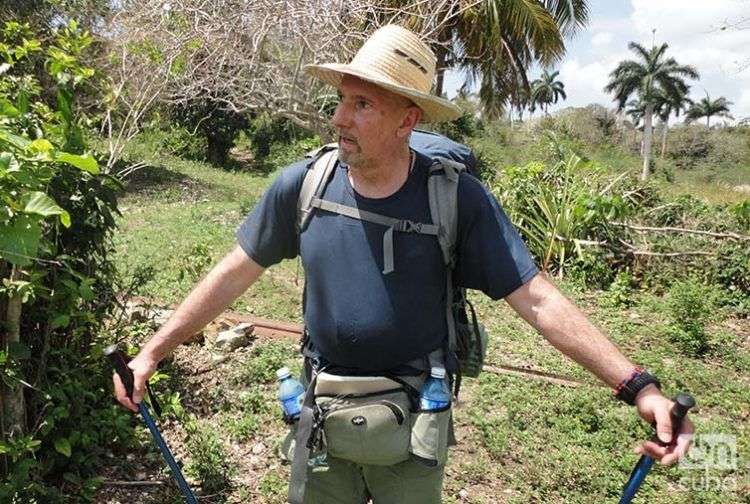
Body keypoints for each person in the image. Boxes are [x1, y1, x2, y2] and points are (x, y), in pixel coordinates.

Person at [114, 24, 693, 503]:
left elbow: (537, 298)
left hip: (415, 421)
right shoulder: (303, 187)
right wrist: (151, 353)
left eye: (362, 103)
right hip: (319, 414)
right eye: (341, 99)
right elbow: (233, 272)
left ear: (407, 120)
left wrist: (638, 386)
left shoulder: (455, 200)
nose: (340, 118)